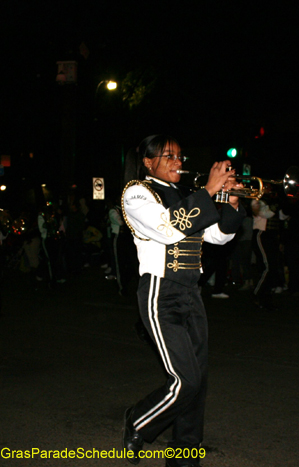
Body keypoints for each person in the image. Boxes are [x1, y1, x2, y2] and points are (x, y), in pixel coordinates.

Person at [121, 135, 245, 466]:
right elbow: (169, 227)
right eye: (168, 156)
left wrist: (230, 202)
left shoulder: (184, 195)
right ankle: (138, 420)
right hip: (160, 292)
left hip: (191, 293)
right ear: (149, 163)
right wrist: (207, 191)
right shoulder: (137, 192)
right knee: (185, 379)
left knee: (198, 380)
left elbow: (219, 236)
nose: (178, 161)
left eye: (179, 155)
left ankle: (184, 453)